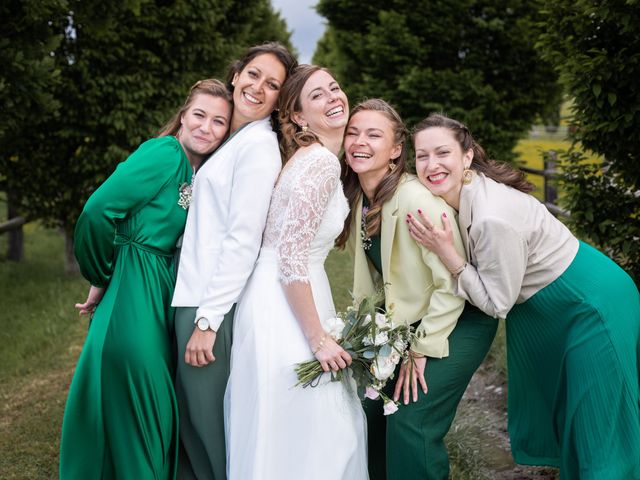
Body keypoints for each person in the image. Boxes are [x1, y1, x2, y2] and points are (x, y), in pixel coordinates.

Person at [407, 112, 640, 479]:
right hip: (555, 305)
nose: (431, 165)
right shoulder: (461, 194)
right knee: (572, 415)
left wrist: (449, 256)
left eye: (442, 153)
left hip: (590, 303)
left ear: (466, 155)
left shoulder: (490, 218)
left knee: (599, 423)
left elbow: (497, 303)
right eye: (422, 156)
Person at [59, 79, 233, 479]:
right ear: (183, 117)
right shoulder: (164, 152)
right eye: (199, 116)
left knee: (147, 404)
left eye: (219, 122)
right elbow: (99, 210)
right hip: (134, 291)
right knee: (144, 399)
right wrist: (103, 272)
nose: (207, 127)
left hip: (157, 287)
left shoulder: (195, 170)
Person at [336, 99, 498, 480]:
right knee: (369, 409)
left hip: (460, 316)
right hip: (411, 318)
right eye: (353, 132)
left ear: (395, 151)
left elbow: (451, 285)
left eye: (373, 134)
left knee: (412, 418)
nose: (360, 141)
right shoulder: (363, 196)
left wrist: (420, 348)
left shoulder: (416, 201)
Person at [224, 65, 368, 480]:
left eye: (335, 88)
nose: (333, 97)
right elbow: (290, 258)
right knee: (317, 427)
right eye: (317, 95)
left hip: (285, 294)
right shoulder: (320, 163)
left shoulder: (314, 159)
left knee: (293, 427)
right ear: (299, 117)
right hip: (285, 303)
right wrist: (318, 339)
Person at [170, 42, 297, 480]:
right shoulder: (231, 141)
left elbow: (243, 241)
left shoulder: (258, 148)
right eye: (254, 74)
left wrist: (206, 323)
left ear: (281, 99)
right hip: (192, 296)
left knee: (208, 435)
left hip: (208, 306)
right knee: (192, 430)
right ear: (236, 74)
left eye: (273, 84)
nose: (259, 87)